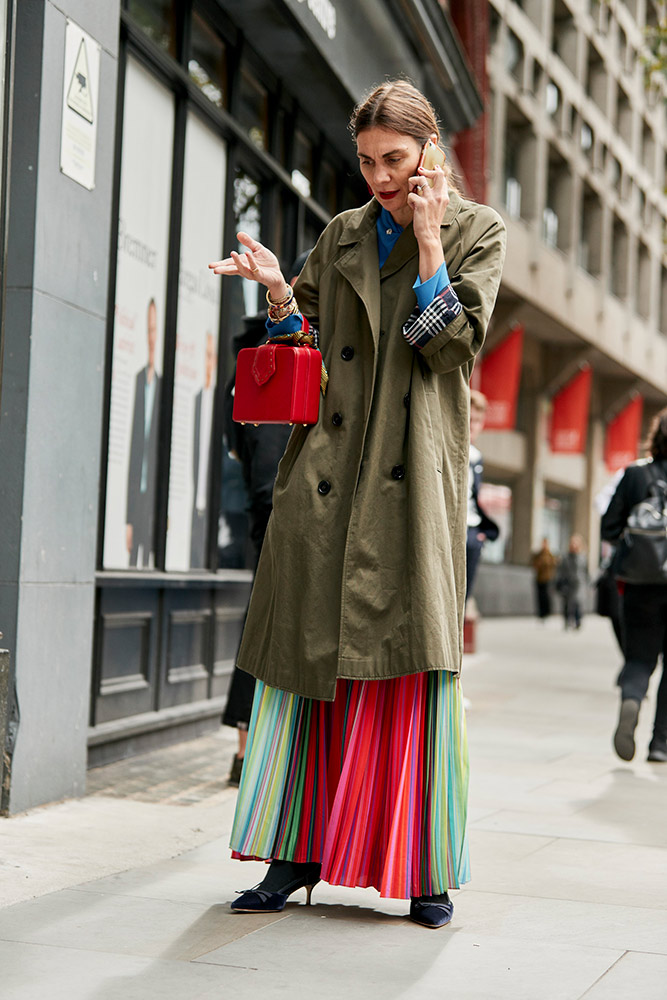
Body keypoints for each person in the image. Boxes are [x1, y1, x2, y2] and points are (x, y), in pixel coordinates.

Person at [209, 79, 506, 929]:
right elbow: (302, 349)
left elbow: (449, 347)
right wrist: (274, 290)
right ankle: (292, 854)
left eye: (394, 159)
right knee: (308, 666)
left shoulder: (474, 229)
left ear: (427, 151)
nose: (378, 175)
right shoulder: (339, 234)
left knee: (408, 670)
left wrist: (424, 240)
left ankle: (422, 870)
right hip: (328, 482)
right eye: (368, 160)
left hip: (411, 481)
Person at [222, 250, 312, 786]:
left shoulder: (251, 340)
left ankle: (246, 747)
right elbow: (256, 428)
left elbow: (233, 432)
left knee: (265, 619)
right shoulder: (276, 343)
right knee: (271, 620)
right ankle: (254, 746)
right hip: (281, 501)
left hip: (271, 497)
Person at [601, 407, 667, 763]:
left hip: (641, 582)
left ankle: (631, 697)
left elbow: (608, 527)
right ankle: (660, 744)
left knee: (640, 656)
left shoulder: (635, 474)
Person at [126, 298, 161, 568]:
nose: (151, 337)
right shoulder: (138, 382)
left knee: (147, 561)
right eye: (148, 330)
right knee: (131, 561)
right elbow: (133, 452)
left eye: (154, 330)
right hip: (136, 495)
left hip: (154, 498)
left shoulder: (162, 387)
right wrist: (128, 517)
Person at [466, 390, 499, 598]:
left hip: (472, 535)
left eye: (477, 420)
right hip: (449, 532)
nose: (472, 425)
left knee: (463, 599)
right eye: (469, 418)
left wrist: (480, 536)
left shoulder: (477, 458)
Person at [190, 332, 217, 567]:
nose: (208, 362)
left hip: (213, 502)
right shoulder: (197, 399)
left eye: (211, 356)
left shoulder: (219, 401)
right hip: (192, 500)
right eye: (205, 356)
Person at [555, 533, 589, 630]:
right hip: (568, 583)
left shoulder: (582, 557)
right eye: (572, 543)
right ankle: (567, 620)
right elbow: (560, 571)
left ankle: (577, 621)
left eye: (576, 543)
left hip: (579, 584)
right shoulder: (565, 557)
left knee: (578, 602)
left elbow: (585, 571)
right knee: (567, 603)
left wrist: (588, 582)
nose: (574, 545)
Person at [531, 538, 557, 621]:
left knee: (547, 597)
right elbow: (534, 564)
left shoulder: (550, 555)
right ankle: (541, 613)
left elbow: (554, 564)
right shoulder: (538, 554)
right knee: (540, 596)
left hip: (548, 579)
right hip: (539, 578)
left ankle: (547, 613)